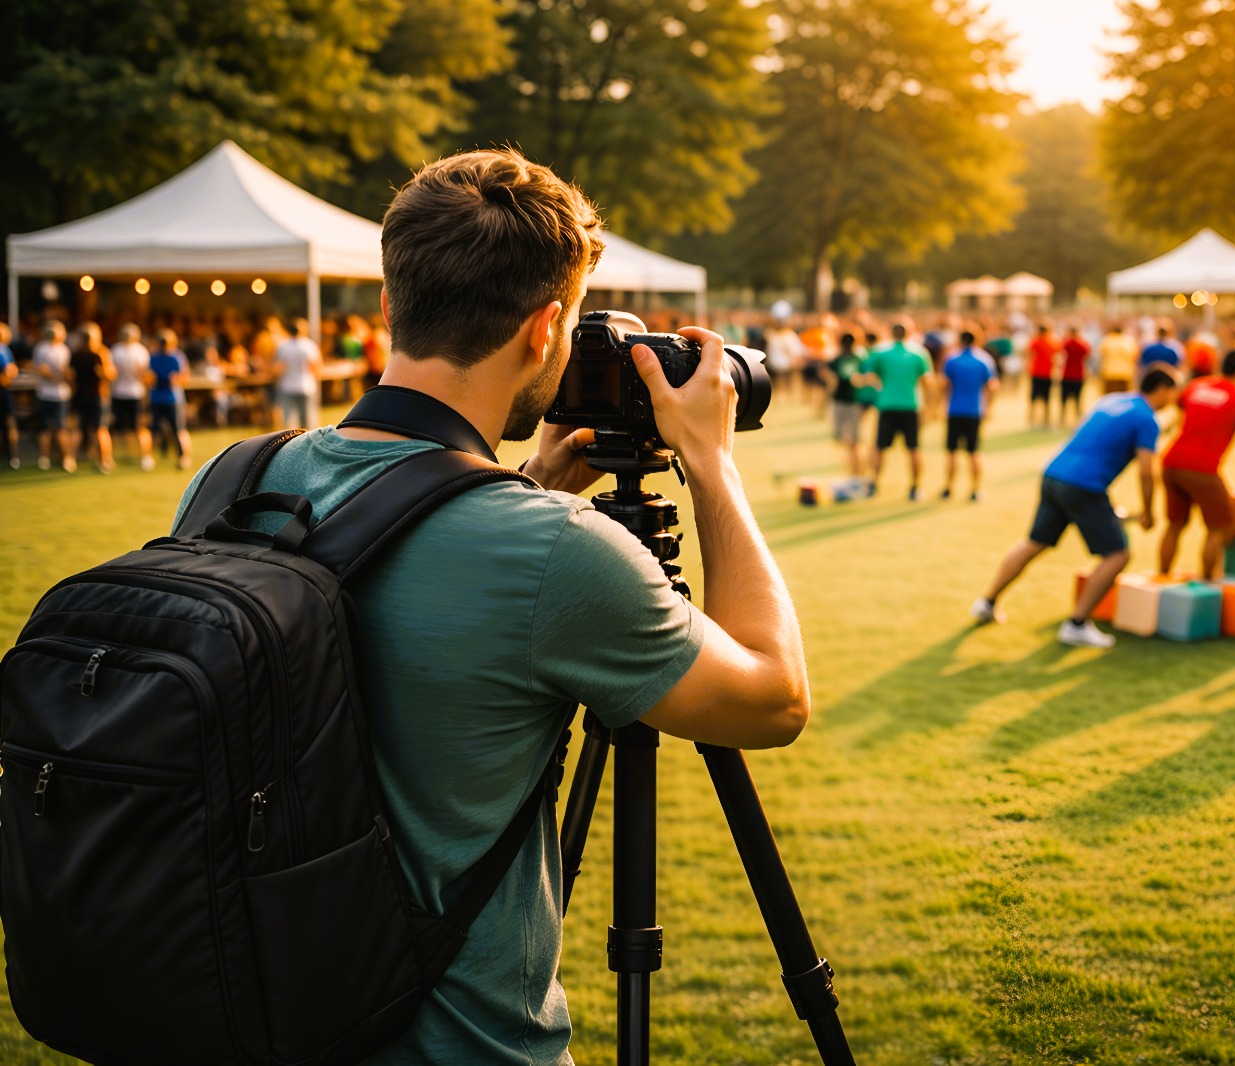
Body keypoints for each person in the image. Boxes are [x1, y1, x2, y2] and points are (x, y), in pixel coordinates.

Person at [171, 147, 808, 1065]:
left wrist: (523, 485)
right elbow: (773, 700)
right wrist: (713, 464)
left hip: (245, 1011)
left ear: (389, 306)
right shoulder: (554, 553)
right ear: (545, 328)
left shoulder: (232, 479)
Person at [970, 368, 1179, 648]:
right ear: (1163, 389)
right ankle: (1077, 625)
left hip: (1054, 474)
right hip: (1083, 485)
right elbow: (1146, 471)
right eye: (1173, 392)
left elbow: (1093, 443)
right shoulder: (1147, 419)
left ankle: (986, 602)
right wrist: (1149, 511)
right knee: (1118, 554)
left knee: (1035, 542)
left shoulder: (1112, 400)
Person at [1158, 349, 1235, 580]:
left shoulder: (1197, 386)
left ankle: (1161, 577)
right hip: (1202, 467)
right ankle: (1208, 582)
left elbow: (1181, 410)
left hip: (1172, 461)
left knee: (1175, 524)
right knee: (1224, 527)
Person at [856, 322, 933, 500]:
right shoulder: (919, 353)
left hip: (888, 405)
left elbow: (867, 375)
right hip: (910, 406)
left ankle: (874, 484)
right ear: (909, 333)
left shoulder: (881, 352)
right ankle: (915, 488)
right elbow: (927, 383)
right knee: (913, 449)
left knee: (880, 448)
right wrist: (929, 408)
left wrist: (879, 386)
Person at [939, 331, 998, 501]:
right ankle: (975, 490)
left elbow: (944, 384)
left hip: (955, 410)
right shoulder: (984, 360)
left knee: (952, 452)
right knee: (974, 452)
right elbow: (993, 386)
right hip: (974, 411)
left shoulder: (952, 359)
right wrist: (989, 406)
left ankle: (948, 488)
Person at [68, 322, 116, 473]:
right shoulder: (100, 354)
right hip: (97, 396)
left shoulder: (76, 354)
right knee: (100, 429)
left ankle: (69, 459)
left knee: (77, 429)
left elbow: (70, 376)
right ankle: (105, 460)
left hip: (80, 395)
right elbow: (109, 375)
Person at [108, 324, 157, 470]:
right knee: (139, 427)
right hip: (136, 393)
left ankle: (111, 456)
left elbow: (111, 373)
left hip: (119, 393)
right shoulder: (140, 351)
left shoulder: (115, 350)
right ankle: (145, 457)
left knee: (118, 427)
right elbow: (146, 375)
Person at [822, 331, 866, 491]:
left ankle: (856, 474)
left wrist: (825, 400)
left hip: (841, 402)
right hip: (855, 402)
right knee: (853, 442)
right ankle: (856, 472)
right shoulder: (861, 359)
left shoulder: (836, 361)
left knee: (850, 442)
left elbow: (831, 382)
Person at [31, 319, 74, 471]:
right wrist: (57, 377)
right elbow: (41, 369)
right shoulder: (42, 348)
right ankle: (45, 458)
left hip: (60, 394)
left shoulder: (63, 349)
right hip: (46, 393)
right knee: (46, 428)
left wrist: (64, 377)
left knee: (60, 427)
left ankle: (65, 457)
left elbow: (66, 371)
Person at [148, 328, 194, 469]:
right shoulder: (156, 357)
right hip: (161, 398)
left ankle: (183, 457)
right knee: (161, 430)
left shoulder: (175, 357)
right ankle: (152, 456)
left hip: (172, 399)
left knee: (178, 430)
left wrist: (175, 380)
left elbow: (184, 378)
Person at [273, 318, 323, 429]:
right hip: (306, 385)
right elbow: (316, 366)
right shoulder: (309, 345)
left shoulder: (283, 346)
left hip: (287, 386)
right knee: (307, 422)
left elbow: (278, 368)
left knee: (288, 421)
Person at [1026, 323, 1059, 429]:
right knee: (1046, 397)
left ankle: (1032, 417)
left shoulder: (1035, 341)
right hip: (1046, 372)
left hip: (1037, 372)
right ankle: (1045, 418)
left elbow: (1029, 353)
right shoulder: (1051, 342)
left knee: (1034, 396)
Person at [1060, 324, 1090, 423]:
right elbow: (1087, 356)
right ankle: (1078, 418)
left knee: (1064, 398)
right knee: (1078, 398)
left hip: (1067, 373)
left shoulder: (1065, 343)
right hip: (1079, 373)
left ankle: (1062, 418)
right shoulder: (1082, 344)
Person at [1099, 321, 1138, 394]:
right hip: (1125, 373)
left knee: (1109, 396)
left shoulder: (1107, 340)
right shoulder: (1129, 341)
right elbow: (1134, 356)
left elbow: (1102, 356)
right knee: (1124, 397)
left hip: (1109, 372)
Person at [0, 323, 19, 469]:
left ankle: (11, 456)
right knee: (8, 423)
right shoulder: (4, 350)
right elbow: (9, 371)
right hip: (3, 391)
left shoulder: (5, 349)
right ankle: (12, 456)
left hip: (4, 392)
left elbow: (12, 369)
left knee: (8, 423)